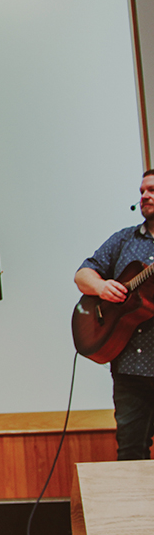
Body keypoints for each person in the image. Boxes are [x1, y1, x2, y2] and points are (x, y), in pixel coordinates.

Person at [75, 169, 154, 461]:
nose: (145, 196)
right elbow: (82, 274)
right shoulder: (124, 240)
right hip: (130, 367)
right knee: (131, 453)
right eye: (142, 191)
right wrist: (102, 287)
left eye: (152, 191)